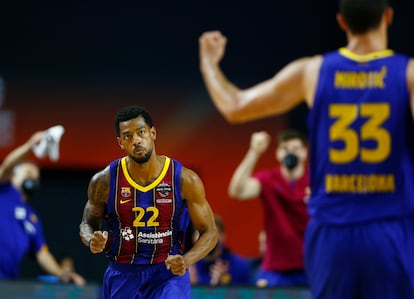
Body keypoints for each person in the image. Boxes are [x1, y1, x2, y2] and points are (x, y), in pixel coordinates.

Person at [198, 0, 414, 298]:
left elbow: (235, 107)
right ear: (389, 16)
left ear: (341, 22)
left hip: (332, 231)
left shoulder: (312, 72)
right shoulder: (407, 73)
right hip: (388, 227)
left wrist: (209, 63)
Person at [79, 106, 218, 299]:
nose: (136, 140)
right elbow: (87, 223)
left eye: (141, 132)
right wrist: (91, 240)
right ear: (120, 142)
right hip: (123, 272)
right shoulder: (105, 181)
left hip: (167, 273)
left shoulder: (184, 179)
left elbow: (210, 231)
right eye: (127, 136)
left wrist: (186, 261)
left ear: (153, 133)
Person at [0, 130, 85, 286]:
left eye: (36, 176)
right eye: (28, 172)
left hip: (7, 281)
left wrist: (63, 274)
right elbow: (6, 166)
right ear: (13, 175)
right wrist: (30, 145)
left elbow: (42, 253)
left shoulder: (32, 217)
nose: (33, 177)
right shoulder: (3, 191)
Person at [228, 129, 309, 287]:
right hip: (275, 269)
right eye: (285, 149)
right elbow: (236, 191)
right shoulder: (268, 179)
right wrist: (254, 152)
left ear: (305, 153)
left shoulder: (316, 180)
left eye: (296, 149)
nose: (290, 153)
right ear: (278, 153)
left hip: (311, 267)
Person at [189, 214, 251, 286]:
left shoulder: (240, 266)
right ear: (193, 238)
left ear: (223, 236)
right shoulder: (188, 268)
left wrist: (222, 289)